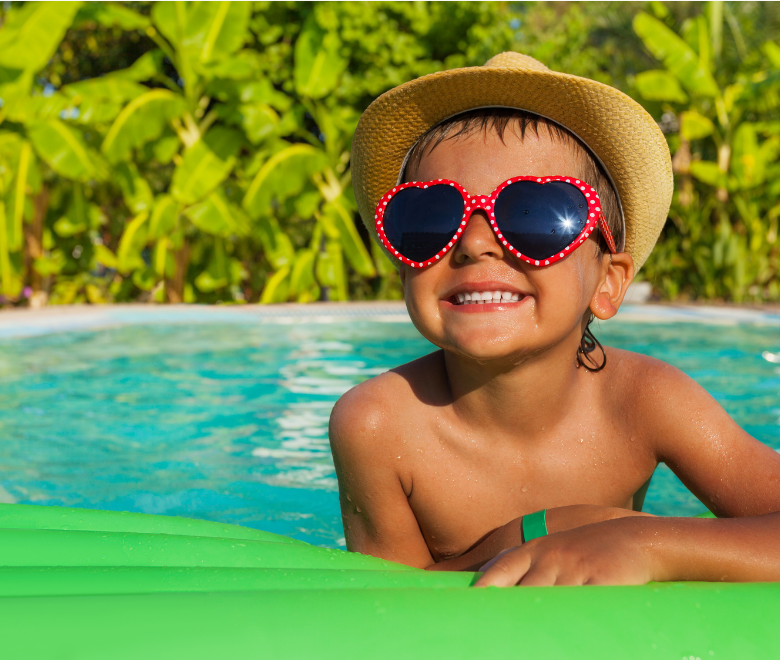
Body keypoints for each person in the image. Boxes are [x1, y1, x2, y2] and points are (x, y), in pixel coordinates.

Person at [329, 52, 780, 586]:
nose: (475, 243)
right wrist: (543, 530)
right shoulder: (377, 425)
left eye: (536, 215)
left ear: (608, 284)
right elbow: (386, 608)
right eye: (430, 218)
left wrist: (644, 543)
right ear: (405, 272)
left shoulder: (645, 402)